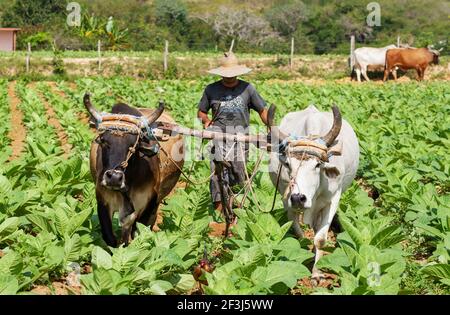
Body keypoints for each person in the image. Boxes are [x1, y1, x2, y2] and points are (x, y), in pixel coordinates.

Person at [197, 51, 269, 223]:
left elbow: (262, 110)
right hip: (218, 137)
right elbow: (201, 112)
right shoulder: (211, 89)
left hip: (240, 139)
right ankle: (219, 214)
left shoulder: (248, 89)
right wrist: (206, 121)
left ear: (238, 72)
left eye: (232, 75)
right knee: (217, 174)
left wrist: (270, 126)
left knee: (238, 173)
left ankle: (236, 208)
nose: (229, 78)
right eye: (225, 75)